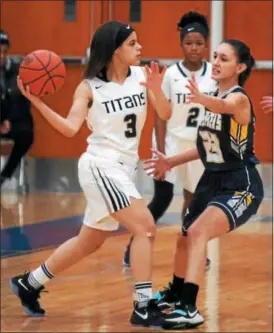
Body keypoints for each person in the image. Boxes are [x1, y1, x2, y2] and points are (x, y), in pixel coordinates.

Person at [9, 21, 172, 328]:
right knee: (145, 227)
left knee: (89, 242)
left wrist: (155, 90)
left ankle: (29, 283)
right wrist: (36, 101)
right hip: (100, 166)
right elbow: (71, 128)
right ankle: (142, 306)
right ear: (114, 50)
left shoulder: (142, 76)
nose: (140, 48)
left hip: (124, 169)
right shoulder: (88, 87)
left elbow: (164, 113)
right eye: (133, 43)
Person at [144, 39, 264, 329]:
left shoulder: (238, 99)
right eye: (216, 57)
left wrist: (203, 99)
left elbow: (224, 105)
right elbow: (206, 147)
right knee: (185, 234)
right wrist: (170, 161)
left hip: (240, 183)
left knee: (198, 232)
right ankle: (174, 292)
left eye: (224, 58)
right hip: (211, 178)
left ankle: (189, 307)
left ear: (240, 67)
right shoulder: (210, 96)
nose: (217, 62)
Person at [123, 11, 217, 270]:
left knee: (195, 200)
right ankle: (133, 247)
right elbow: (160, 116)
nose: (194, 48)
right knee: (162, 199)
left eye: (199, 43)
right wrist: (161, 151)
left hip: (198, 148)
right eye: (189, 43)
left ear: (206, 45)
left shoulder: (213, 75)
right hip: (171, 142)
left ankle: (192, 247)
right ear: (181, 45)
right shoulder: (170, 74)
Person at [0, 29, 34, 189]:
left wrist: (8, 120)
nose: (1, 56)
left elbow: (23, 103)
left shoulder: (17, 72)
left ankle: (4, 175)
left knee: (26, 133)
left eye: (4, 52)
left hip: (11, 121)